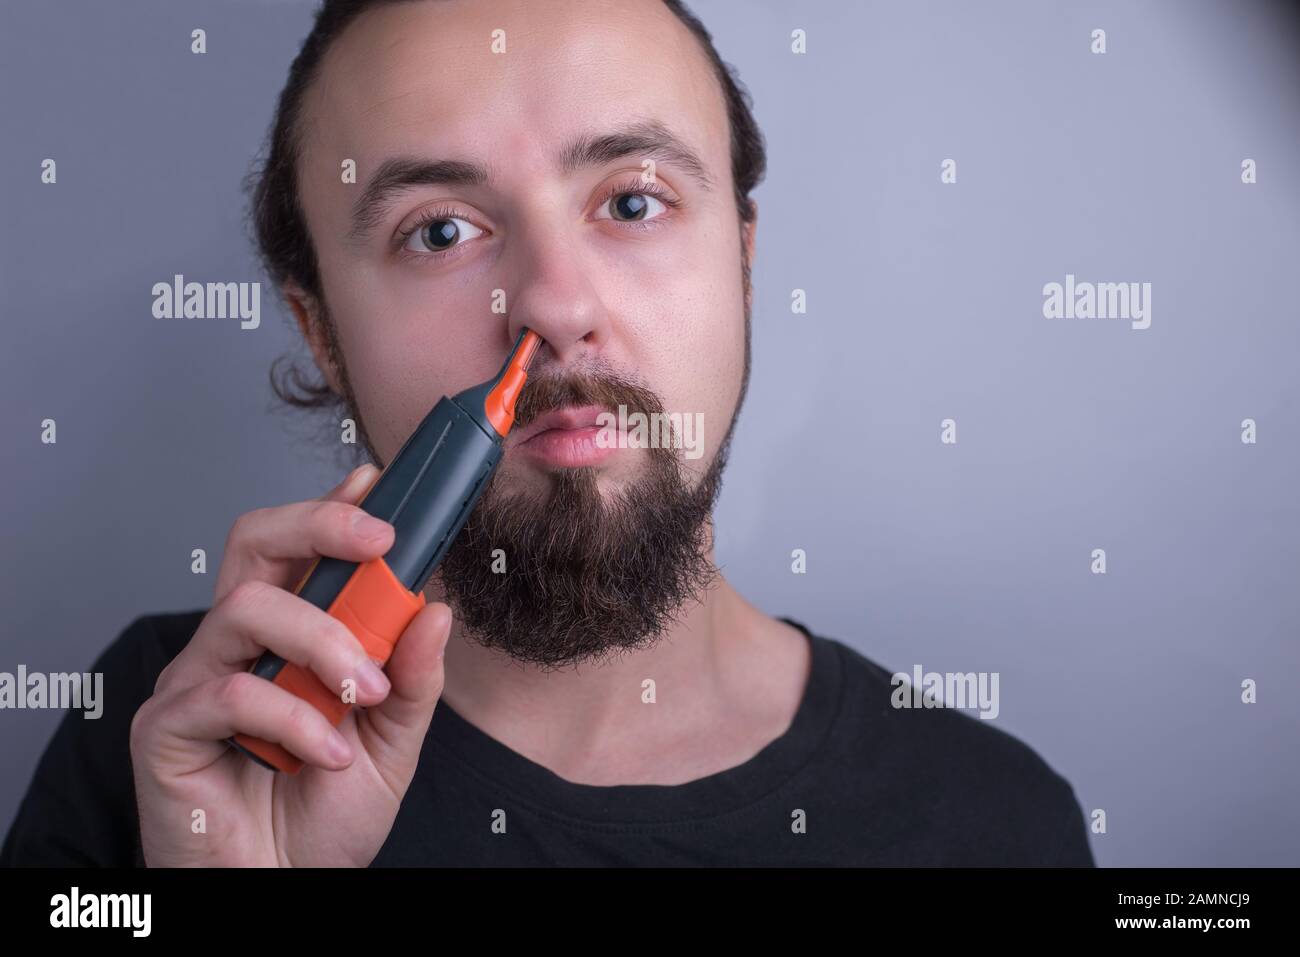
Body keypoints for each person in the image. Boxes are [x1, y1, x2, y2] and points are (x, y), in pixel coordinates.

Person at [2, 0, 1094, 867]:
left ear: (743, 263)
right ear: (321, 332)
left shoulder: (992, 820)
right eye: (439, 231)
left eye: (631, 202)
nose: (551, 303)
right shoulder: (176, 729)